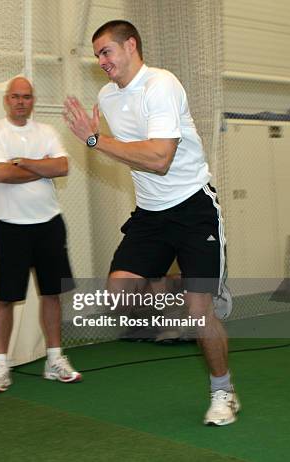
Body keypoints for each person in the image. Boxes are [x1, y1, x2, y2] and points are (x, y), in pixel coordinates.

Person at [62, 20, 239, 426]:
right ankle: (194, 286)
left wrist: (93, 140)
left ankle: (222, 392)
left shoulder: (162, 84)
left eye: (107, 51)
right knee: (120, 297)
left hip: (193, 208)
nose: (102, 62)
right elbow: (130, 154)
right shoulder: (107, 97)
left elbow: (160, 159)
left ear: (131, 46)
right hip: (150, 214)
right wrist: (101, 140)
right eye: (97, 56)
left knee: (198, 316)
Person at [0, 77, 81, 393]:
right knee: (6, 298)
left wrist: (24, 162)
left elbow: (63, 167)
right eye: (15, 97)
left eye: (27, 97)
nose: (21, 101)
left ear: (33, 100)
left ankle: (54, 359)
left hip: (49, 223)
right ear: (7, 100)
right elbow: (1, 173)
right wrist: (41, 167)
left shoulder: (47, 132)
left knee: (51, 293)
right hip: (11, 226)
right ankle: (0, 365)